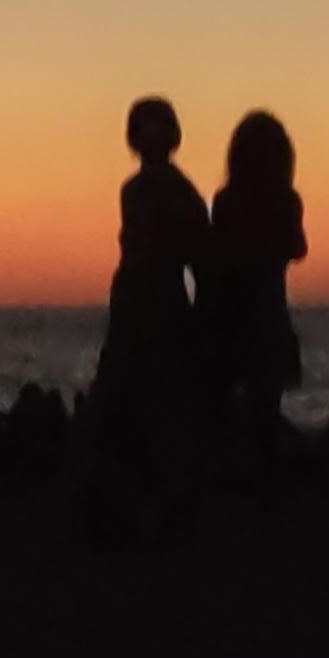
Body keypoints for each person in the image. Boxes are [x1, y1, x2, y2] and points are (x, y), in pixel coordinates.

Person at [90, 98, 208, 493]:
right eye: (143, 128)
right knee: (122, 401)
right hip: (134, 302)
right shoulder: (136, 191)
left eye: (157, 127)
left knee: (155, 404)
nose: (149, 137)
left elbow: (199, 259)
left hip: (162, 305)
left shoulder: (181, 193)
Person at [202, 110, 308, 464]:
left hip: (229, 318)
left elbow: (216, 258)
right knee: (264, 419)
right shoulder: (286, 201)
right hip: (268, 317)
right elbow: (298, 248)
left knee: (223, 416)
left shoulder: (227, 201)